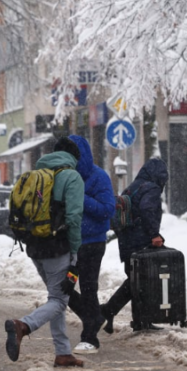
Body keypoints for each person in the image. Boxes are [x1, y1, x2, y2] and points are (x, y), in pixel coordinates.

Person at [5, 137, 85, 368]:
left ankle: (63, 352)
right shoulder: (71, 177)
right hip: (58, 247)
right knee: (59, 300)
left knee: (55, 297)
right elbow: (73, 218)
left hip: (35, 246)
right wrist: (76, 252)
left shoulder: (37, 173)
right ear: (74, 158)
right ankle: (24, 325)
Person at [100, 158, 169, 333]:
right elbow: (146, 209)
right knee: (141, 281)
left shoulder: (133, 187)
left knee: (136, 282)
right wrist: (154, 234)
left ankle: (136, 319)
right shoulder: (151, 188)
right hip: (139, 242)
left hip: (126, 240)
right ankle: (111, 311)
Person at [66, 135, 115, 355]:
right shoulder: (64, 177)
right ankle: (94, 317)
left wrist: (80, 197)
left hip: (93, 243)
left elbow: (107, 209)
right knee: (63, 287)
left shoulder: (99, 177)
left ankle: (90, 338)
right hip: (71, 243)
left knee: (88, 288)